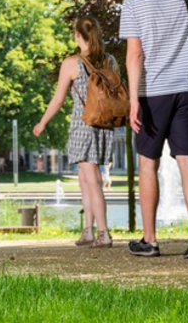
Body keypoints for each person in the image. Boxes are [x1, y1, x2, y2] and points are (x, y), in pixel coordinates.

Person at [120, 0, 188, 259]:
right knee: (187, 160)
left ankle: (150, 240)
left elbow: (134, 54)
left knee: (148, 162)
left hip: (152, 94)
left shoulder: (133, 3)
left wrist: (133, 100)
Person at [33, 16, 115, 248]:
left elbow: (58, 100)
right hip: (104, 125)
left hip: (83, 125)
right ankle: (88, 230)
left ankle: (104, 233)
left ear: (78, 35)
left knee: (92, 179)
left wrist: (42, 123)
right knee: (84, 178)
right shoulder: (109, 61)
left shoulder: (72, 63)